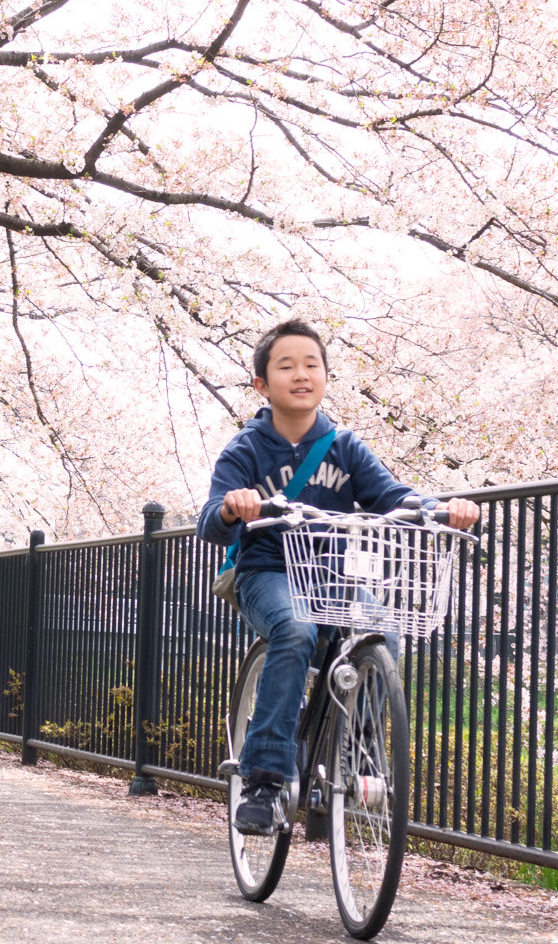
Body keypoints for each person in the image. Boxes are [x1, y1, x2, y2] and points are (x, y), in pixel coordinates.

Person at [197, 319, 478, 833]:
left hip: (328, 575)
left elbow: (394, 497)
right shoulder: (247, 449)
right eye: (286, 366)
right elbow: (210, 522)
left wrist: (442, 509)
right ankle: (265, 778)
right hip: (266, 571)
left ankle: (360, 756)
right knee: (296, 630)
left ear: (325, 377)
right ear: (262, 385)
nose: (301, 375)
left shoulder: (345, 446)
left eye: (311, 365)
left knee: (381, 631)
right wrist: (234, 509)